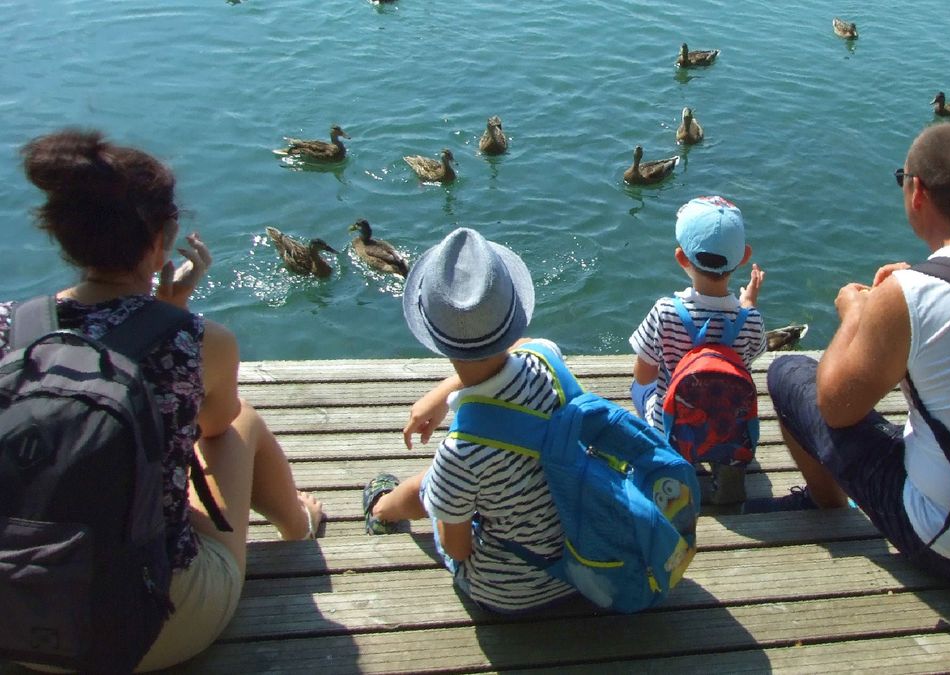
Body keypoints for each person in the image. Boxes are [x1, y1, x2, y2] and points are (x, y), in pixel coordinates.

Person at [2, 129, 324, 671]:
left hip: (15, 615)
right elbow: (212, 425)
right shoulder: (198, 341)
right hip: (149, 626)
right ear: (159, 244)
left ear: (65, 239)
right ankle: (298, 527)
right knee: (242, 421)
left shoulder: (9, 327)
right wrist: (169, 311)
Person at [748, 123, 950, 585]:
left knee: (788, 372)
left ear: (916, 192)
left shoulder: (912, 293)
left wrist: (857, 316)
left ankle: (822, 502)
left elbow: (835, 408)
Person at [362, 227, 578, 614]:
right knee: (466, 485)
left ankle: (381, 510)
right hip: (586, 557)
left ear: (431, 334)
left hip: (514, 593)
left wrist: (446, 394)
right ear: (514, 312)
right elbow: (525, 348)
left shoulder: (460, 452)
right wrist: (443, 393)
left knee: (434, 488)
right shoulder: (549, 360)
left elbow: (457, 548)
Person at [629, 195, 767, 502]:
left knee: (638, 389)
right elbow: (748, 358)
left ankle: (669, 458)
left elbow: (644, 375)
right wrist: (748, 306)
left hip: (673, 424)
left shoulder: (665, 311)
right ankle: (726, 465)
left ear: (681, 258)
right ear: (744, 257)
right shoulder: (751, 321)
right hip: (727, 427)